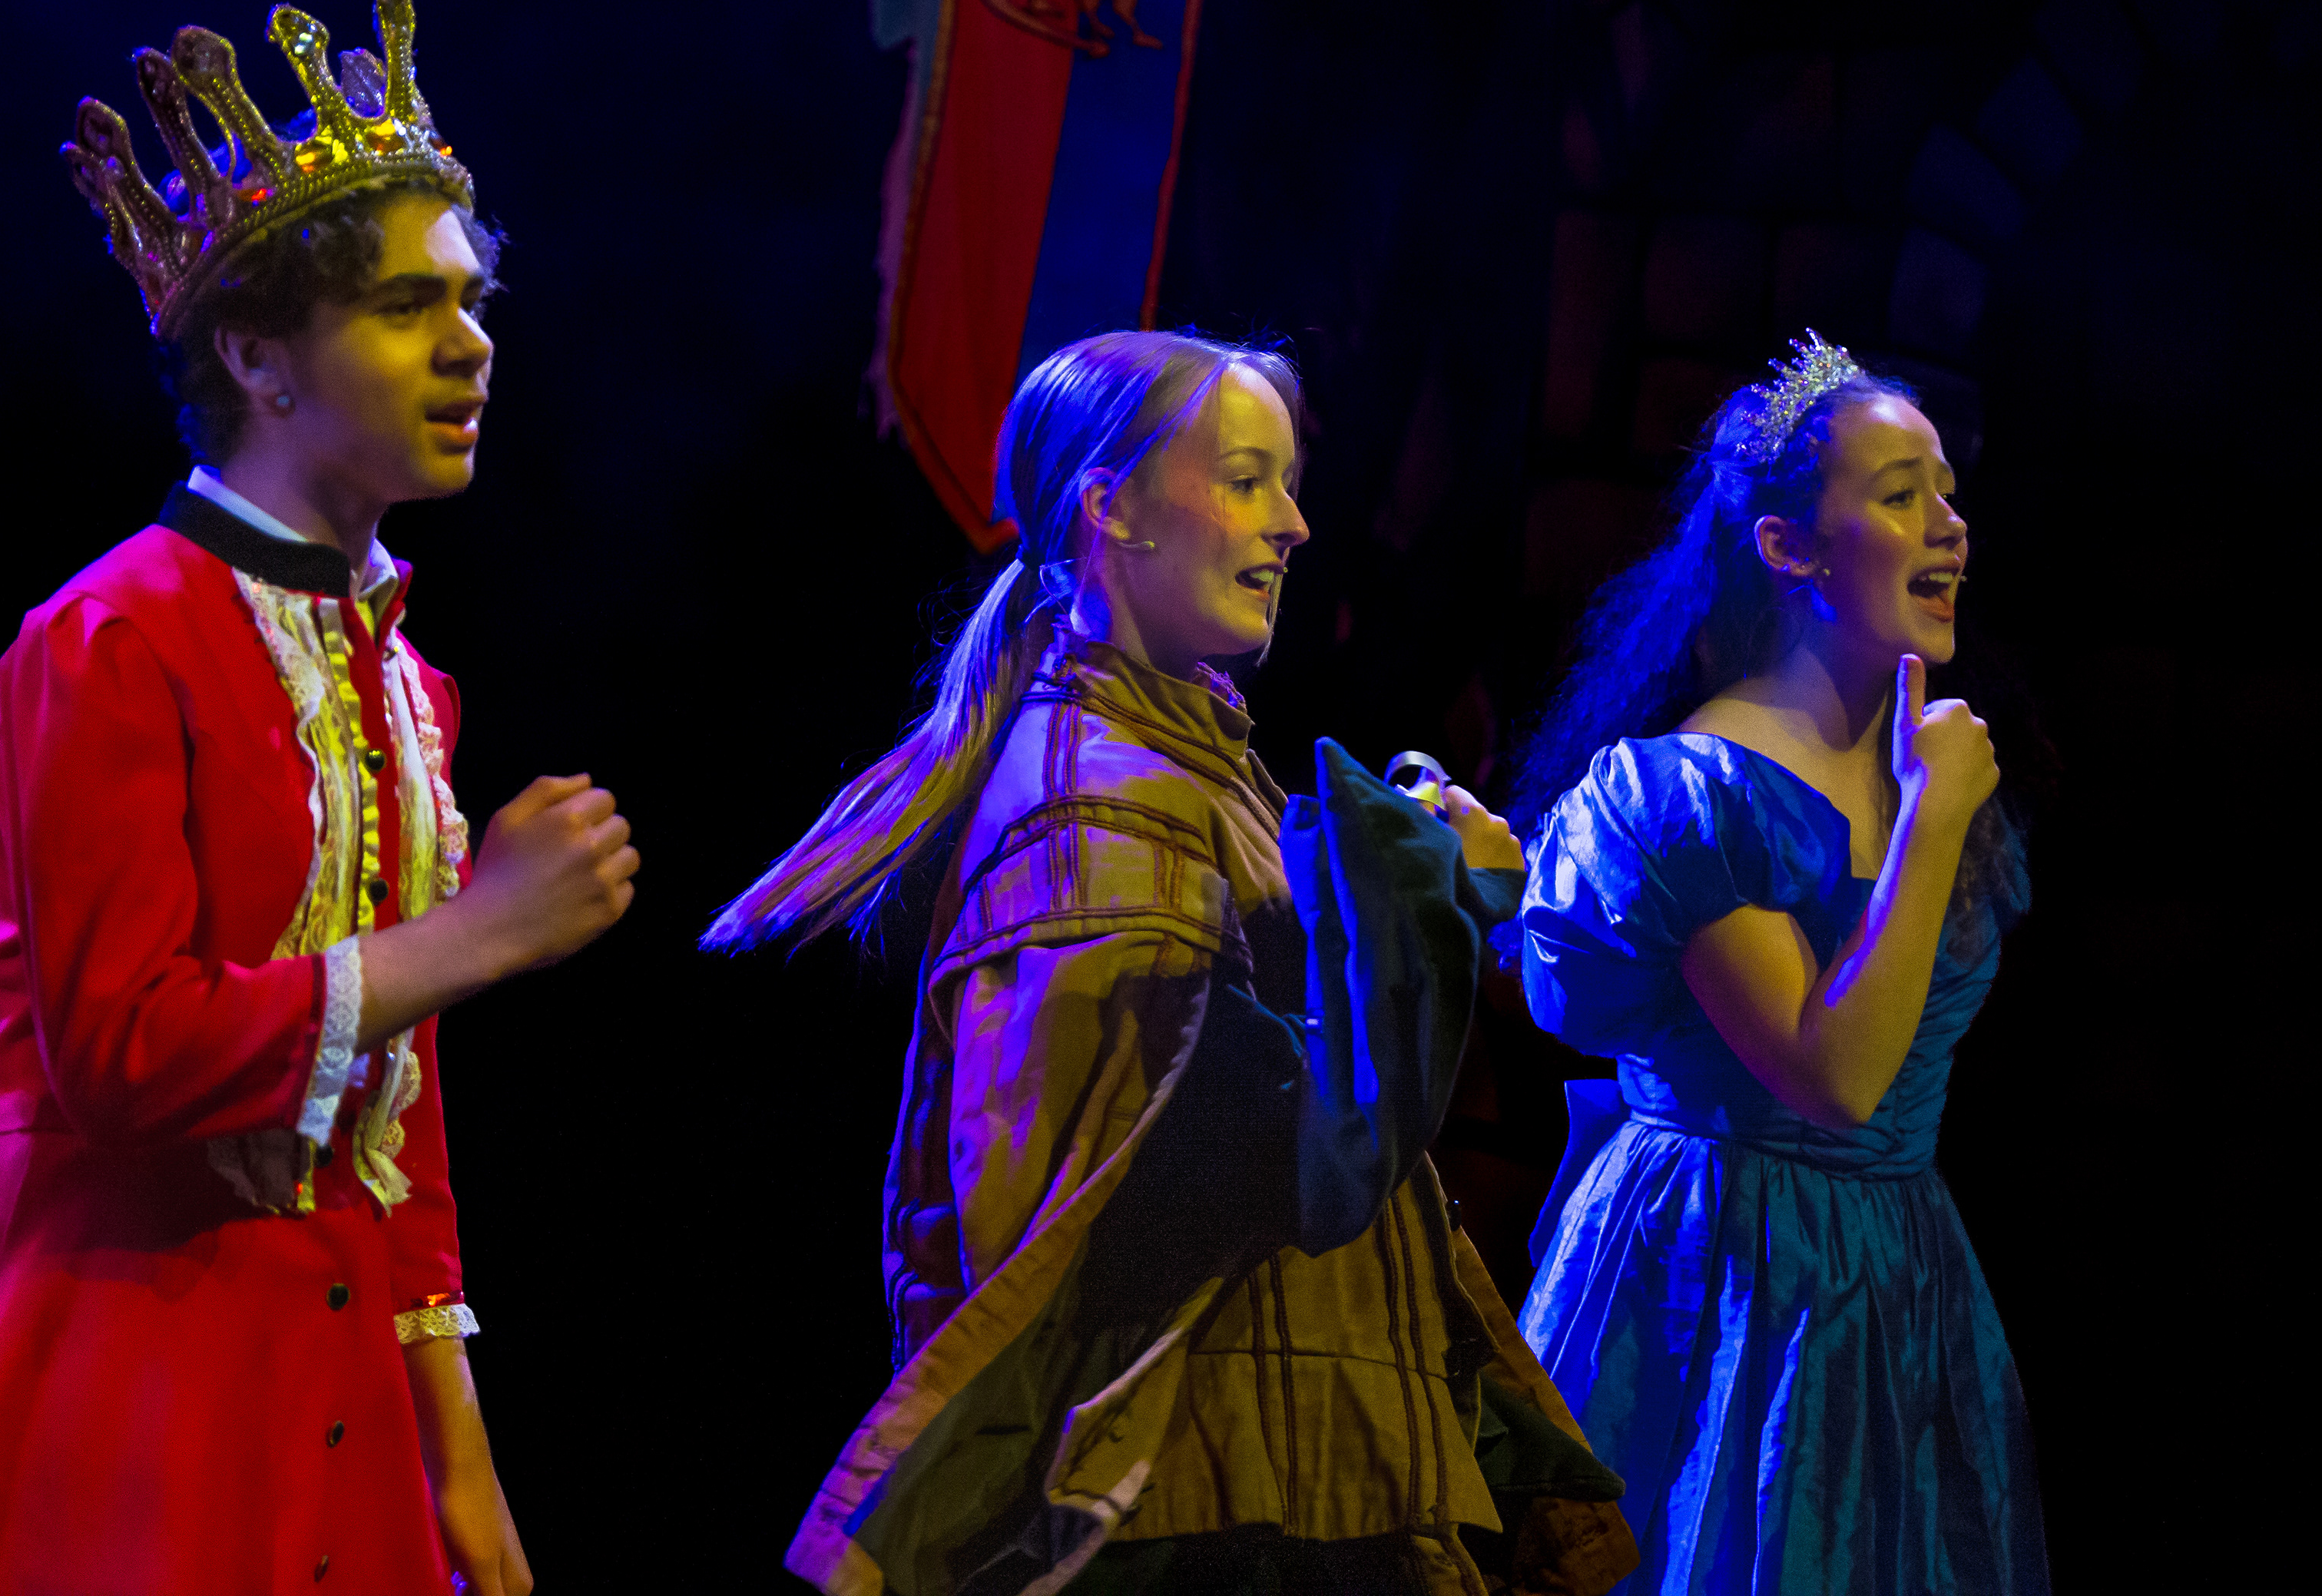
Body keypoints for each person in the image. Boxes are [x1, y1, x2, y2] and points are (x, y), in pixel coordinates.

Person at [0, 0, 638, 1596]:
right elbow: (122, 1051)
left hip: (337, 1369)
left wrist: (460, 1457)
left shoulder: (405, 679)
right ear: (259, 353)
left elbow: (397, 1119)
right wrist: (479, 932)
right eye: (406, 306)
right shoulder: (113, 639)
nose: (471, 343)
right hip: (128, 1346)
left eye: (472, 301)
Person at [708, 332, 1638, 1596]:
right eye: (1248, 480)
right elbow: (1234, 1184)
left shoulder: (1184, 761)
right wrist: (1417, 906)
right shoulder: (1100, 808)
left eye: (1288, 483)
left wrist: (1391, 894)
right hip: (1204, 1511)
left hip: (1263, 1471)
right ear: (1114, 509)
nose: (1295, 524)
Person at [1511, 333, 2044, 1594]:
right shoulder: (1699, 793)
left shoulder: (1921, 765)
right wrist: (1928, 826)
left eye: (1949, 492)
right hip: (1728, 1276)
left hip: (1899, 1277)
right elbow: (1836, 1075)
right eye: (1901, 496)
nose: (1951, 525)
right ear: (1789, 547)